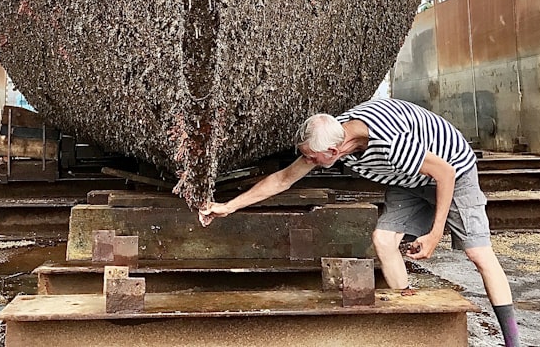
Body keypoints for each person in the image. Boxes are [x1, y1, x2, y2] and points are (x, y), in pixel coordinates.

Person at [199, 96, 521, 347]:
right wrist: (229, 206)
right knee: (383, 240)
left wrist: (436, 234)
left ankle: (512, 340)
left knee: (478, 254)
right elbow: (283, 179)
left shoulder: (392, 143)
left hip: (452, 167)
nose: (309, 163)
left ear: (335, 150)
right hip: (407, 179)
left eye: (312, 158)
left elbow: (444, 174)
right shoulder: (331, 133)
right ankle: (409, 313)